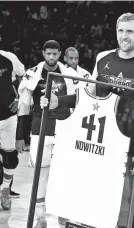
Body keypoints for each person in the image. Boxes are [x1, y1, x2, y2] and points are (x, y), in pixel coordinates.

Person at [40, 13, 134, 228]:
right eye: (121, 31)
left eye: (130, 31)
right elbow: (89, 95)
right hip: (100, 145)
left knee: (129, 209)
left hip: (132, 148)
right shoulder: (103, 58)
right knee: (96, 204)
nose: (124, 36)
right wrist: (59, 101)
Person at [16, 40, 82, 227]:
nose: (52, 57)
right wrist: (20, 135)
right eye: (48, 54)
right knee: (40, 175)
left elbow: (79, 102)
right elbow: (24, 105)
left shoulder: (70, 74)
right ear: (43, 53)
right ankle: (40, 218)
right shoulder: (32, 74)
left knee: (63, 173)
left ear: (60, 54)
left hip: (63, 129)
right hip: (40, 130)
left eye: (55, 54)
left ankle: (62, 214)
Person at [0, 50, 25, 210]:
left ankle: (5, 190)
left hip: (9, 117)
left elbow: (24, 78)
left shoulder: (9, 58)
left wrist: (20, 98)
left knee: (10, 158)